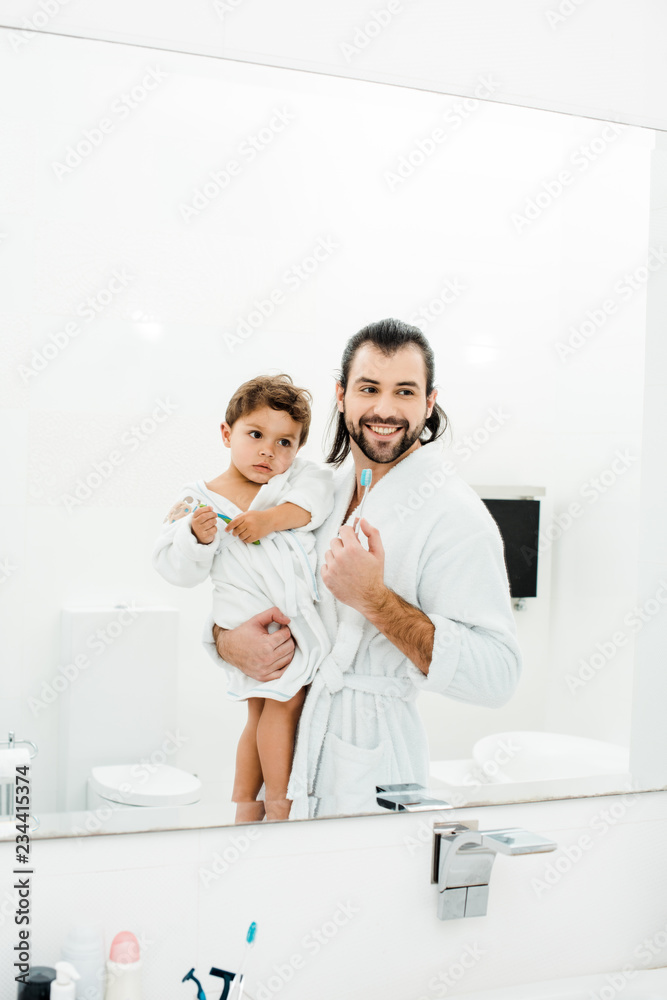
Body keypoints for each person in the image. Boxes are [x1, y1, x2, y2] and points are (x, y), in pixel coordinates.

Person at [206, 319, 522, 818]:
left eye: (405, 391)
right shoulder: (318, 491)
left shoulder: (454, 515)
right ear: (341, 395)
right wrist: (227, 643)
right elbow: (245, 577)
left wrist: (375, 600)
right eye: (369, 388)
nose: (385, 409)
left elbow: (497, 675)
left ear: (429, 402)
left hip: (369, 760)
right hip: (291, 740)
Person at [153, 374, 333, 822]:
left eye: (285, 442)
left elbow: (317, 501)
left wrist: (269, 520)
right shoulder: (198, 499)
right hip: (251, 616)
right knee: (285, 703)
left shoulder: (296, 481)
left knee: (258, 714)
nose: (269, 451)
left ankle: (243, 807)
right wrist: (194, 536)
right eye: (256, 435)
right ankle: (278, 803)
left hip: (289, 610)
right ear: (226, 433)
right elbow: (172, 566)